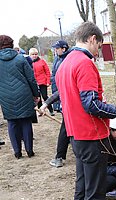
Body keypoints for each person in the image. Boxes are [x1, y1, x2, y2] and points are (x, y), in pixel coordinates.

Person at [56, 22, 116, 200]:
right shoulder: (84, 63)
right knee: (94, 193)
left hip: (76, 135)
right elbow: (91, 104)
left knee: (82, 189)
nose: (99, 49)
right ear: (92, 39)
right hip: (90, 136)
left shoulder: (65, 63)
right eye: (99, 44)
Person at [0, 35, 40, 159]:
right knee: (25, 121)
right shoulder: (21, 59)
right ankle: (29, 150)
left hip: (5, 96)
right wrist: (36, 94)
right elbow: (31, 79)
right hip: (24, 93)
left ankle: (17, 152)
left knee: (12, 123)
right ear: (12, 45)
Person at [40, 40, 71, 168]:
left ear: (63, 48)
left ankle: (59, 157)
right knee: (67, 129)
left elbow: (64, 87)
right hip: (62, 97)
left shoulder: (68, 61)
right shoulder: (59, 59)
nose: (55, 50)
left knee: (66, 129)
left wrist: (46, 103)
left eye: (57, 48)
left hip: (69, 100)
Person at [28, 48, 53, 115]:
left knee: (45, 96)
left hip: (42, 82)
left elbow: (47, 72)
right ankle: (40, 111)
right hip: (35, 83)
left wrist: (48, 81)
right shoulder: (28, 63)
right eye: (32, 54)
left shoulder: (42, 62)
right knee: (37, 97)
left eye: (35, 54)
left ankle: (50, 109)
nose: (34, 56)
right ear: (30, 55)